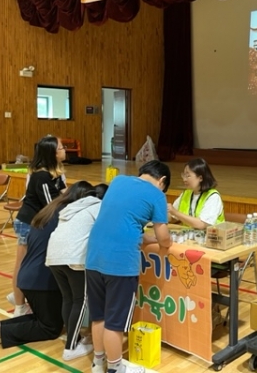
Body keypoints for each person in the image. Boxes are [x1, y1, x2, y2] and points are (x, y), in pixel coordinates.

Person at [0, 182, 95, 354]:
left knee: (44, 319)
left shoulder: (50, 210)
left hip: (28, 275)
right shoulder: (69, 215)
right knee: (50, 328)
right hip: (42, 279)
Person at [85, 160, 173, 373]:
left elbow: (121, 219)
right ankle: (116, 367)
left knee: (99, 316)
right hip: (121, 262)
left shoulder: (118, 181)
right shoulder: (157, 195)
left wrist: (142, 236)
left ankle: (98, 363)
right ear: (162, 181)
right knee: (115, 322)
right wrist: (166, 244)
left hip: (94, 256)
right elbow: (163, 236)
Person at [46, 183, 109, 361]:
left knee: (68, 298)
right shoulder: (98, 206)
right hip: (73, 257)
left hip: (53, 255)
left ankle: (74, 338)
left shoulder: (73, 206)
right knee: (80, 301)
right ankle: (70, 347)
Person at [9, 135, 67, 316]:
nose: (64, 150)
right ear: (52, 153)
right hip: (28, 223)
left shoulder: (55, 172)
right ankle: (19, 306)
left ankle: (22, 296)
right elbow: (52, 205)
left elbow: (65, 193)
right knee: (22, 264)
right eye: (61, 147)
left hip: (38, 224)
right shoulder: (41, 176)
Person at [167, 158, 225, 229]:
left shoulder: (213, 197)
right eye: (184, 175)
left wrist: (175, 212)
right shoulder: (186, 194)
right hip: (188, 234)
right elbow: (173, 217)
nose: (184, 179)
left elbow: (201, 225)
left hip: (211, 235)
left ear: (200, 178)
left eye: (188, 176)